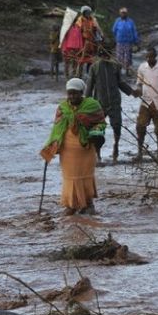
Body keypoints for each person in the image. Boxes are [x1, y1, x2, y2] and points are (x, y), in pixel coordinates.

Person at [40, 78, 106, 215]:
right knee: (69, 177)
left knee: (85, 176)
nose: (72, 96)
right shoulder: (62, 108)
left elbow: (100, 122)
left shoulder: (92, 105)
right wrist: (49, 147)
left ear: (82, 92)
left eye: (75, 93)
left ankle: (88, 203)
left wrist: (96, 133)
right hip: (68, 149)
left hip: (86, 147)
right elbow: (56, 129)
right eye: (70, 93)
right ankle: (71, 205)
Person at [85, 47, 138, 162]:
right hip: (99, 103)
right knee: (97, 130)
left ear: (109, 56)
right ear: (99, 56)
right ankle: (98, 154)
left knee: (117, 126)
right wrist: (85, 102)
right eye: (102, 56)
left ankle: (116, 146)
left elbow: (120, 82)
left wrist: (132, 92)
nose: (105, 58)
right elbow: (89, 86)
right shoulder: (94, 67)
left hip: (114, 102)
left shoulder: (115, 66)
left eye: (106, 56)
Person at [111, 7, 140, 75]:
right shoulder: (117, 21)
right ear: (120, 13)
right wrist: (117, 37)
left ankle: (127, 71)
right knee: (119, 57)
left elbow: (134, 31)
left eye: (124, 13)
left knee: (128, 57)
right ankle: (119, 71)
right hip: (120, 42)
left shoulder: (130, 21)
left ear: (126, 13)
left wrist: (136, 41)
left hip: (128, 42)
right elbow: (114, 30)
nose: (123, 14)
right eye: (122, 13)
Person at [76, 6, 102, 76]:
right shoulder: (80, 20)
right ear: (83, 13)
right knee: (81, 60)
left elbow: (96, 28)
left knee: (90, 60)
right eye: (86, 12)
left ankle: (89, 73)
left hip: (91, 43)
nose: (88, 14)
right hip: (83, 43)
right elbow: (78, 29)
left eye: (88, 12)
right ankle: (79, 74)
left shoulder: (92, 20)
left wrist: (97, 30)